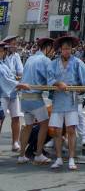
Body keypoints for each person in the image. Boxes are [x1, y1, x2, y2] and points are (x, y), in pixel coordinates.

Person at [48, 35, 85, 171]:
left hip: (72, 100)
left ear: (72, 49)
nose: (67, 51)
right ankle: (59, 158)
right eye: (65, 49)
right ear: (60, 49)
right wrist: (58, 83)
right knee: (57, 131)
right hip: (58, 100)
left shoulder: (77, 62)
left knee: (71, 130)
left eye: (69, 49)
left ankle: (71, 158)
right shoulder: (53, 63)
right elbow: (49, 79)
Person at [18, 36, 55, 166]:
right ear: (48, 47)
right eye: (53, 49)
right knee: (44, 124)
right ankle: (38, 154)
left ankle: (21, 155)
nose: (53, 52)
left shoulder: (30, 58)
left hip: (24, 98)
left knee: (28, 126)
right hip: (35, 97)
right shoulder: (45, 60)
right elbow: (51, 81)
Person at [0, 39, 30, 153]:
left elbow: (19, 72)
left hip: (13, 92)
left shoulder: (12, 58)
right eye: (2, 50)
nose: (2, 52)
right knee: (0, 119)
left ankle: (15, 142)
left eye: (3, 50)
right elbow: (6, 79)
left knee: (16, 116)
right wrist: (20, 84)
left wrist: (19, 81)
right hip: (2, 93)